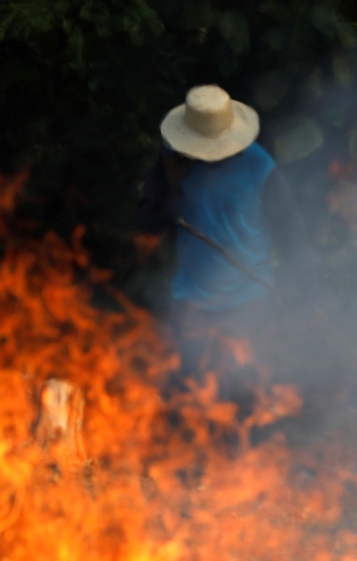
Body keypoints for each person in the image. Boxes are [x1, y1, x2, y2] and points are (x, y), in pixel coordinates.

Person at [136, 85, 317, 401]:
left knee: (245, 397)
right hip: (192, 303)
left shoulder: (259, 166)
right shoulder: (173, 163)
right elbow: (148, 225)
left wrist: (305, 288)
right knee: (189, 397)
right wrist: (172, 184)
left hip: (250, 301)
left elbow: (290, 232)